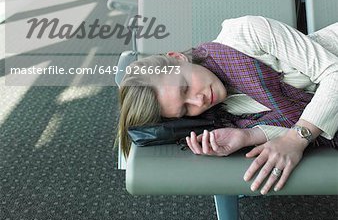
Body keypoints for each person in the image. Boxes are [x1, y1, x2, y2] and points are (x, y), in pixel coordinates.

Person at [117, 16, 338, 195]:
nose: (198, 101)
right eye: (185, 110)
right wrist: (248, 137)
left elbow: (334, 75)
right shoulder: (229, 114)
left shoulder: (247, 33)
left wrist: (295, 139)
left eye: (185, 88)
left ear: (177, 58)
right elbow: (305, 123)